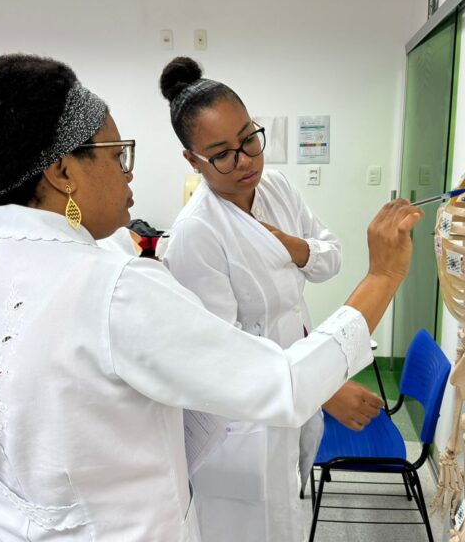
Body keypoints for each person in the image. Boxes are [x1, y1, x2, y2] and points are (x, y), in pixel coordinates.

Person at [0, 54, 422, 542]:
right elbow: (280, 384)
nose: (129, 172)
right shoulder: (116, 287)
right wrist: (382, 276)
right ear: (63, 172)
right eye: (117, 155)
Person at [156, 57, 385, 542]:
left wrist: (292, 246)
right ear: (192, 161)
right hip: (240, 423)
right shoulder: (197, 233)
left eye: (249, 139)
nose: (245, 161)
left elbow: (330, 259)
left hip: (291, 387)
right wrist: (324, 389)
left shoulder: (275, 186)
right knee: (252, 527)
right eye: (221, 153)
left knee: (288, 513)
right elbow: (224, 358)